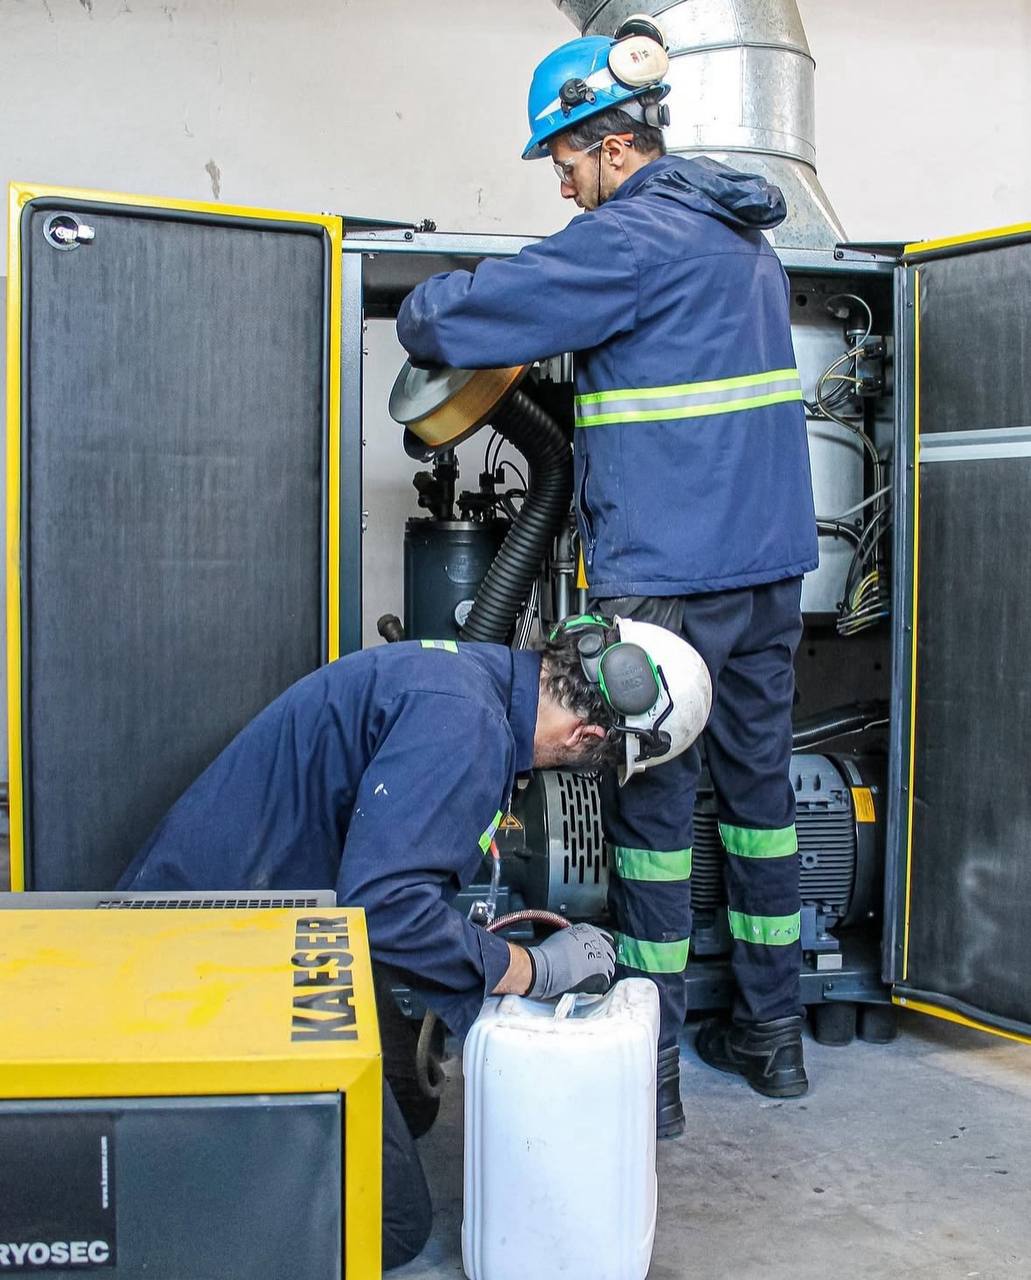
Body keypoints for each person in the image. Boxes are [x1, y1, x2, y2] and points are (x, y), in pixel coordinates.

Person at [395, 19, 819, 1139]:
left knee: (653, 817)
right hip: (769, 569)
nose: (563, 185)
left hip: (665, 582)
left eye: (561, 163)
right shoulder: (744, 241)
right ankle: (773, 1039)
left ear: (604, 141)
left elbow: (477, 310)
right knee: (762, 804)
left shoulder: (635, 236)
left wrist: (423, 302)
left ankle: (654, 1063)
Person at [118, 618, 710, 1267]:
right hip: (210, 967)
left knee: (408, 1104)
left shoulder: (469, 683)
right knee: (394, 1223)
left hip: (270, 927)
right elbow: (383, 906)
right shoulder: (466, 727)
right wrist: (528, 969)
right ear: (586, 736)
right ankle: (160, 1208)